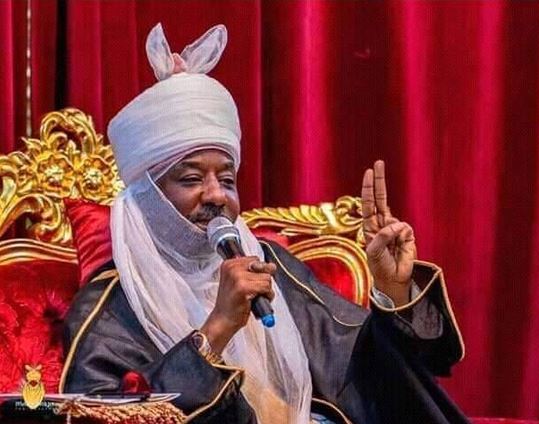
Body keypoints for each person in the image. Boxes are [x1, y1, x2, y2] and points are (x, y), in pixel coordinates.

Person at [61, 23, 468, 424]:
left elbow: (364, 375)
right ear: (147, 198)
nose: (216, 196)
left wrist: (393, 290)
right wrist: (217, 328)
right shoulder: (109, 308)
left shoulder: (269, 264)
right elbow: (103, 416)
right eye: (191, 179)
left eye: (227, 180)